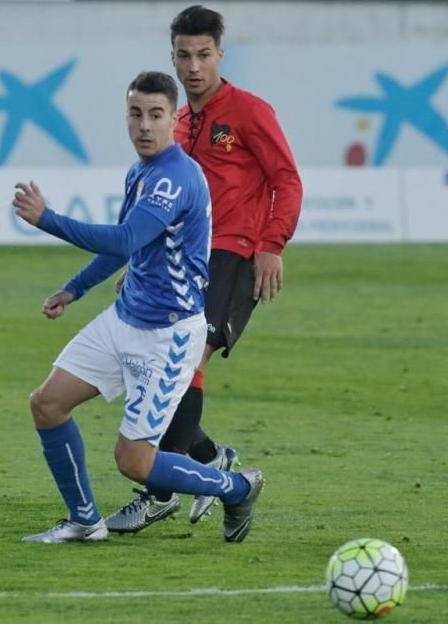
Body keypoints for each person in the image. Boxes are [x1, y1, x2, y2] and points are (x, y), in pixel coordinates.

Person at [15, 71, 264, 544]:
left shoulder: (174, 177)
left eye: (155, 115)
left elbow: (127, 237)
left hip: (167, 338)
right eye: (135, 114)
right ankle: (85, 522)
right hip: (122, 320)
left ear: (174, 119)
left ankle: (237, 486)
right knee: (47, 404)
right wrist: (75, 288)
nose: (144, 125)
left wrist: (47, 219)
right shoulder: (141, 172)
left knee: (134, 461)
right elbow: (127, 245)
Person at [105, 6, 302, 533]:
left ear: (220, 54)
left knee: (188, 354)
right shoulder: (179, 121)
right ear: (172, 56)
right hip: (181, 260)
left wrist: (271, 243)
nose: (193, 66)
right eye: (183, 56)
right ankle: (211, 460)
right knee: (157, 364)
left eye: (203, 55)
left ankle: (158, 491)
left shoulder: (250, 112)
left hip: (236, 252)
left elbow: (287, 179)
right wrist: (142, 263)